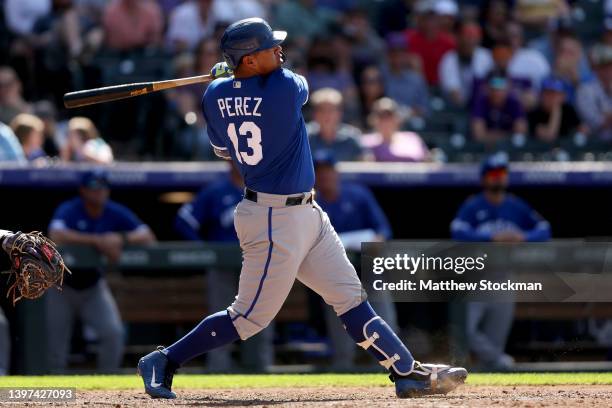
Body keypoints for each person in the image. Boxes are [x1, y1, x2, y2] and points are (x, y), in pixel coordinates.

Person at [137, 17, 467, 400]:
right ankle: (164, 359)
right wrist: (236, 78)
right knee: (248, 317)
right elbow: (302, 85)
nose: (279, 50)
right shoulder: (282, 87)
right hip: (274, 218)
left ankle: (407, 372)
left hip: (306, 213)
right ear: (248, 59)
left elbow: (224, 147)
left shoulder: (212, 95)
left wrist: (228, 82)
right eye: (268, 48)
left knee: (349, 296)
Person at [47, 169, 156, 373]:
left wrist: (120, 239)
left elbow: (148, 236)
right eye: (94, 188)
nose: (99, 192)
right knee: (55, 347)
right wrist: (96, 241)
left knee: (113, 334)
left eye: (103, 187)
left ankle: (107, 384)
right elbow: (55, 234)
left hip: (93, 286)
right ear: (83, 190)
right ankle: (55, 395)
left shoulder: (113, 211)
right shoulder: (71, 209)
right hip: (60, 285)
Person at [450, 154, 551, 370]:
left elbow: (544, 229)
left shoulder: (516, 206)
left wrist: (523, 237)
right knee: (464, 331)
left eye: (502, 174)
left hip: (504, 279)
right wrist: (490, 238)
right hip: (475, 278)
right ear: (484, 178)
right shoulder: (473, 205)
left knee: (495, 341)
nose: (498, 179)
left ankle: (492, 380)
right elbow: (457, 231)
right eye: (493, 174)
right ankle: (496, 360)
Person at [174, 164, 274, 371]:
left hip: (257, 263)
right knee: (222, 315)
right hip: (223, 266)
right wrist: (205, 250)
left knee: (262, 316)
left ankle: (263, 369)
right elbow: (184, 220)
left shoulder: (267, 190)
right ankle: (219, 369)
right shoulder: (217, 190)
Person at [312, 150, 399, 370]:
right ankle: (344, 364)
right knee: (340, 320)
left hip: (366, 265)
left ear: (336, 173)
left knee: (382, 313)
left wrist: (377, 240)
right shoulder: (310, 204)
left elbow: (383, 231)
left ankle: (390, 363)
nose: (325, 177)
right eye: (320, 173)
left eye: (328, 171)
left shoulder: (357, 194)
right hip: (336, 271)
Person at [439, 21, 494, 108]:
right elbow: (454, 93)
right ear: (459, 38)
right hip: (454, 108)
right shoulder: (449, 59)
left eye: (474, 37)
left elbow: (491, 84)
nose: (470, 41)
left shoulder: (485, 56)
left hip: (481, 106)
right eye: (468, 37)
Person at [361, 97, 430, 162]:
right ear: (373, 120)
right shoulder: (365, 142)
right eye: (381, 116)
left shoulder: (412, 138)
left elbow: (426, 161)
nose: (386, 121)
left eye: (389, 116)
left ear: (397, 119)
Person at [307, 87, 365, 161]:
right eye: (322, 110)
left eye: (331, 110)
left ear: (340, 113)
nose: (326, 114)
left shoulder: (352, 138)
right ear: (314, 114)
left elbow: (363, 165)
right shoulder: (305, 137)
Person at [471, 72, 527, 145]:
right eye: (494, 89)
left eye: (501, 89)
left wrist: (491, 136)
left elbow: (520, 132)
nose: (497, 93)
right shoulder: (481, 102)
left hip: (510, 149)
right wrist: (508, 136)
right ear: (488, 88)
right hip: (486, 149)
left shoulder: (514, 103)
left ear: (507, 88)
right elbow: (478, 134)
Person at [528, 77, 587, 143]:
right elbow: (549, 135)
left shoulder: (569, 110)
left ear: (563, 96)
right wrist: (556, 111)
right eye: (547, 93)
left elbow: (583, 130)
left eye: (555, 94)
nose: (551, 97)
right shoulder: (534, 113)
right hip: (540, 151)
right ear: (541, 95)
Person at [576, 44, 612, 141]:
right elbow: (596, 122)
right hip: (594, 144)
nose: (608, 70)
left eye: (610, 66)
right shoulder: (585, 90)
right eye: (604, 66)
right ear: (596, 68)